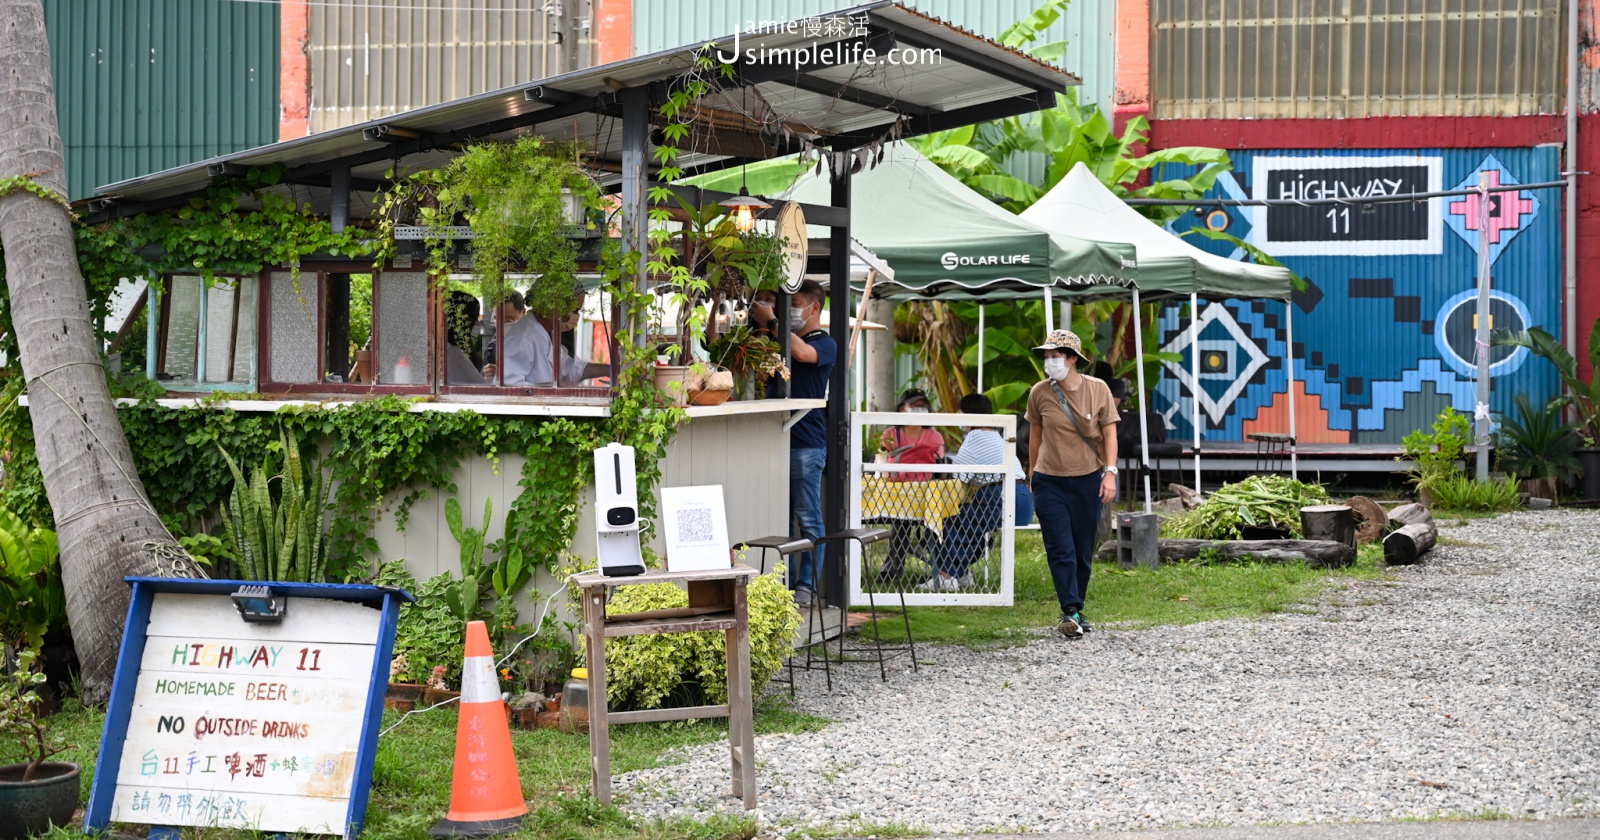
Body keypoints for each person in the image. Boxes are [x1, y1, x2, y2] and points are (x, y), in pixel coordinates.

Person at [1025, 329, 1118, 639]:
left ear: (1073, 359)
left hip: (1087, 478)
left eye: (1056, 355)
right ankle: (1070, 609)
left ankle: (1077, 608)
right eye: (1048, 356)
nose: (1050, 361)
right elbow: (1035, 435)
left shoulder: (1098, 389)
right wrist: (1032, 474)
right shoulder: (1039, 392)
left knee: (1080, 548)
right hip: (1049, 480)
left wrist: (1110, 473)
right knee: (1059, 547)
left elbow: (1109, 434)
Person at [920, 392, 1032, 592]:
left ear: (967, 415)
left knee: (953, 521)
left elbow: (958, 477)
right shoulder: (995, 436)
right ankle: (960, 572)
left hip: (1001, 496)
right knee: (970, 523)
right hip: (1022, 498)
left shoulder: (974, 437)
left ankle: (946, 576)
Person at [770, 280, 835, 606]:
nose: (789, 310)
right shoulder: (778, 337)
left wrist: (772, 321)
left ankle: (805, 587)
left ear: (814, 307)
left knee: (807, 518)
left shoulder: (825, 343)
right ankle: (777, 584)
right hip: (772, 441)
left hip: (805, 443)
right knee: (776, 517)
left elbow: (802, 352)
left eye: (793, 303)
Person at [874, 388, 945, 583]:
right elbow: (881, 459)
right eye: (914, 406)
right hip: (896, 492)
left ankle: (945, 569)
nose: (919, 410)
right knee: (900, 521)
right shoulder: (891, 433)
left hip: (926, 492)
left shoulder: (934, 436)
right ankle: (891, 569)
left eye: (923, 406)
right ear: (901, 409)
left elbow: (939, 463)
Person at [502, 284, 609, 387]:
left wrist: (609, 370)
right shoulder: (523, 337)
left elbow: (569, 368)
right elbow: (509, 384)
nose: (575, 315)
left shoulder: (547, 333)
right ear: (551, 307)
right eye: (573, 310)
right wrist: (556, 388)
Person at [445, 291, 489, 385]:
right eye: (475, 319)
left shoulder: (447, 349)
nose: (478, 324)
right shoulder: (452, 352)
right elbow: (481, 388)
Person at [481, 290, 525, 376]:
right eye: (496, 319)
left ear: (523, 312)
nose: (501, 325)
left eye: (508, 319)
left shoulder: (534, 340)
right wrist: (487, 376)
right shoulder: (492, 347)